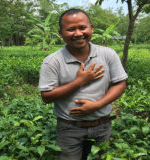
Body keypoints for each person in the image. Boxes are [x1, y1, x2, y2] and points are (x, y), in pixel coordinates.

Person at [38, 8, 128, 160]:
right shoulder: (52, 61)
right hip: (69, 129)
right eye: (71, 29)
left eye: (82, 27)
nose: (78, 33)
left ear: (91, 28)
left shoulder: (108, 54)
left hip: (102, 126)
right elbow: (46, 96)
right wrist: (80, 81)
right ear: (61, 33)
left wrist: (97, 105)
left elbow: (120, 84)